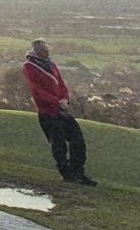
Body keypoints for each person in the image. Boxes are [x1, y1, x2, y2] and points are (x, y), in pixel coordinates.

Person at [21, 40, 96, 185]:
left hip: (61, 110)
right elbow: (36, 91)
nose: (46, 52)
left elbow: (62, 85)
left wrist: (65, 99)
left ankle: (77, 172)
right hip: (47, 112)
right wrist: (57, 102)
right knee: (59, 144)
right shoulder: (29, 67)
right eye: (43, 50)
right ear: (36, 51)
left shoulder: (52, 65)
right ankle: (68, 175)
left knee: (78, 140)